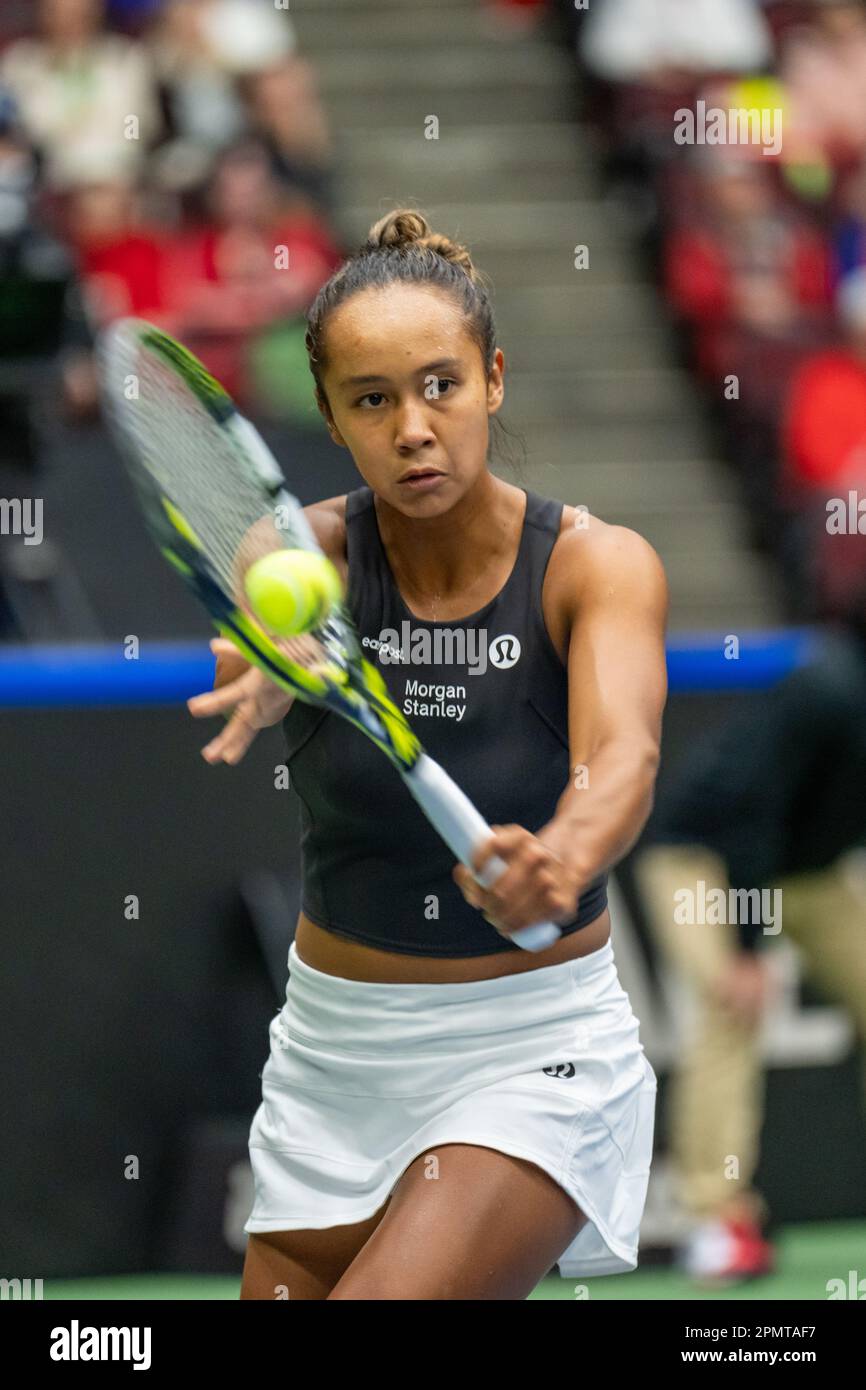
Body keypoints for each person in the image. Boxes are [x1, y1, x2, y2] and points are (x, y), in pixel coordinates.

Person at [187, 209, 668, 1300]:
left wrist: (566, 849)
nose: (412, 426)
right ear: (331, 415)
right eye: (372, 399)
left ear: (492, 380)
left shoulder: (594, 566)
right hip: (333, 1053)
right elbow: (252, 630)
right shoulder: (296, 557)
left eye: (439, 385)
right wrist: (270, 660)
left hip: (528, 1051)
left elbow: (623, 750)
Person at [634, 619, 866, 1283]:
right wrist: (744, 946)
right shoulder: (829, 689)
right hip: (703, 857)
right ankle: (716, 1219)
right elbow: (750, 814)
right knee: (730, 1006)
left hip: (805, 868)